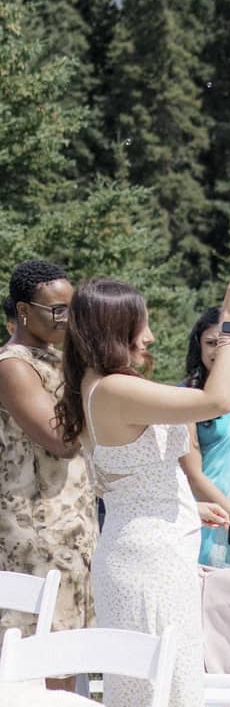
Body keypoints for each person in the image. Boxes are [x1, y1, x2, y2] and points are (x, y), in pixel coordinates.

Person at [56, 267, 230, 707]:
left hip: (153, 548)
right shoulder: (113, 389)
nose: (149, 333)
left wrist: (188, 505)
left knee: (164, 695)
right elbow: (218, 400)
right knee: (148, 697)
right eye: (137, 323)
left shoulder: (112, 388)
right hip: (143, 563)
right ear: (112, 332)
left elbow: (139, 478)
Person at [0, 259, 94, 632]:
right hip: (35, 530)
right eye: (57, 309)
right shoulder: (13, 366)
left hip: (71, 524)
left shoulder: (58, 359)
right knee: (37, 654)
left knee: (68, 658)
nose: (66, 318)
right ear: (23, 311)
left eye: (72, 308)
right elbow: (62, 441)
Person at [182, 309, 230, 567]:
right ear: (199, 347)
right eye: (210, 343)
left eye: (224, 343)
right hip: (210, 519)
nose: (217, 351)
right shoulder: (188, 397)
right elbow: (193, 476)